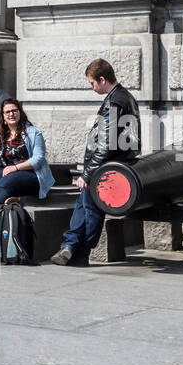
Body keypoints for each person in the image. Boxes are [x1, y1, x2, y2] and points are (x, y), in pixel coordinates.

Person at [50, 58, 140, 265]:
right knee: (83, 205)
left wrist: (88, 173)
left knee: (91, 210)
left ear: (101, 80)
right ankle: (70, 245)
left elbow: (106, 144)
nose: (91, 87)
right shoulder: (123, 97)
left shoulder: (115, 101)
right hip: (110, 164)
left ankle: (79, 252)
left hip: (105, 167)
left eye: (91, 83)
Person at [0, 97, 54, 231]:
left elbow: (38, 159)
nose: (11, 114)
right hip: (6, 174)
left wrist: (15, 168)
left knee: (9, 178)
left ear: (20, 113)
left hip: (30, 176)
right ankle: (9, 198)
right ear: (3, 116)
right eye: (7, 112)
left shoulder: (33, 132)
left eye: (14, 110)